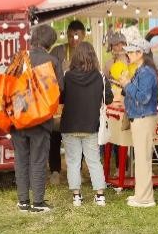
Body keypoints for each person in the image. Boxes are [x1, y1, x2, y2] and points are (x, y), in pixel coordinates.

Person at [11, 24, 63, 213]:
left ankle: (23, 201)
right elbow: (60, 90)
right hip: (40, 119)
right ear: (49, 42)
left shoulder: (19, 58)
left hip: (18, 117)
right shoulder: (52, 61)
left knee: (21, 159)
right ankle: (38, 203)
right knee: (39, 159)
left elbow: (8, 85)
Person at [60, 42, 114, 207]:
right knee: (94, 161)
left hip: (69, 125)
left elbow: (61, 98)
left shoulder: (67, 76)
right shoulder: (100, 76)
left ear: (75, 56)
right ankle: (99, 196)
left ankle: (76, 196)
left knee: (73, 161)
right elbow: (109, 98)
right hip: (91, 125)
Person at [119, 38, 158, 208]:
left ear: (140, 53)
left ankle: (145, 198)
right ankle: (141, 194)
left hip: (143, 118)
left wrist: (127, 84)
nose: (127, 54)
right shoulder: (142, 71)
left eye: (130, 51)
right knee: (141, 159)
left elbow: (143, 97)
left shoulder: (146, 73)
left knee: (143, 160)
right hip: (140, 118)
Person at [49, 20, 86, 184]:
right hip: (59, 96)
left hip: (79, 97)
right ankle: (55, 170)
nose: (74, 40)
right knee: (55, 133)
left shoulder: (86, 52)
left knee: (79, 134)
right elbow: (47, 71)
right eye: (70, 36)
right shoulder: (58, 50)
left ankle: (77, 170)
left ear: (84, 36)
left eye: (77, 36)